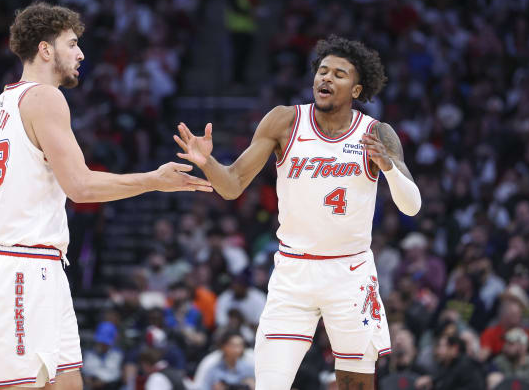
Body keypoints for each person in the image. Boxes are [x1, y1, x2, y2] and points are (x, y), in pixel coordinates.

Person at [0, 2, 212, 390]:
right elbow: (79, 186)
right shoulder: (46, 99)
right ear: (46, 50)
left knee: (67, 383)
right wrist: (152, 179)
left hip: (40, 267)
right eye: (72, 43)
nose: (81, 54)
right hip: (20, 268)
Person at [174, 34, 421, 389]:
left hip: (350, 273)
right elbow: (231, 186)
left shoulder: (375, 133)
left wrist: (388, 167)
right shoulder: (284, 121)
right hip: (293, 271)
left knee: (356, 384)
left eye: (339, 74)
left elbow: (412, 207)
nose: (326, 78)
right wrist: (207, 161)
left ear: (356, 89)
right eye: (322, 71)